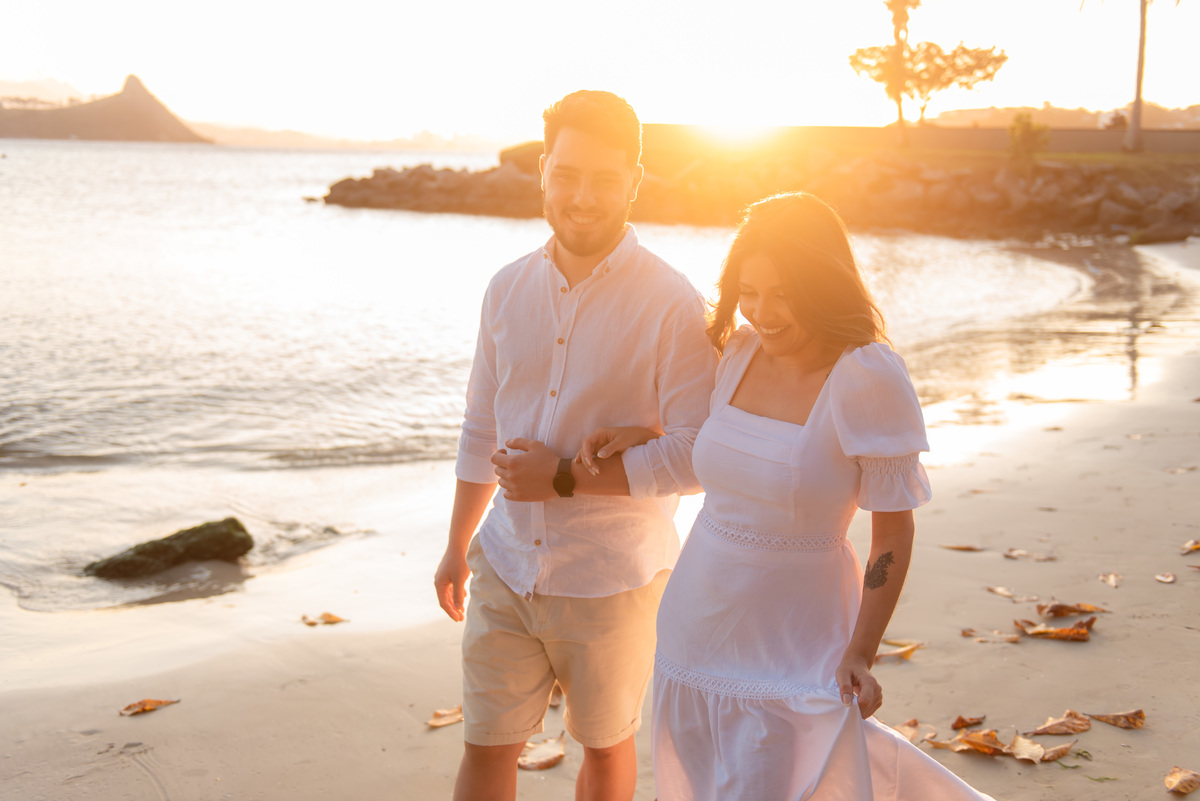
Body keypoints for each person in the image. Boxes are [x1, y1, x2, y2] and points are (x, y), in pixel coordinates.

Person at [578, 193, 996, 800]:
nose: (763, 312)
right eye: (749, 292)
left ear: (823, 285)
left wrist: (861, 652)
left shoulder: (867, 376)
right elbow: (721, 449)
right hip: (694, 631)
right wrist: (645, 432)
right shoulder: (740, 352)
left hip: (796, 645)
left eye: (783, 293)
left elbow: (892, 533)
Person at [432, 90, 717, 801]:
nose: (581, 197)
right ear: (543, 172)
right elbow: (481, 423)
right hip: (504, 563)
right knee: (486, 745)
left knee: (605, 746)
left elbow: (697, 457)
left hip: (611, 579)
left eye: (603, 179)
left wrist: (562, 478)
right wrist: (457, 543)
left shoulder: (673, 303)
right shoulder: (505, 289)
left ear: (634, 182)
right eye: (566, 174)